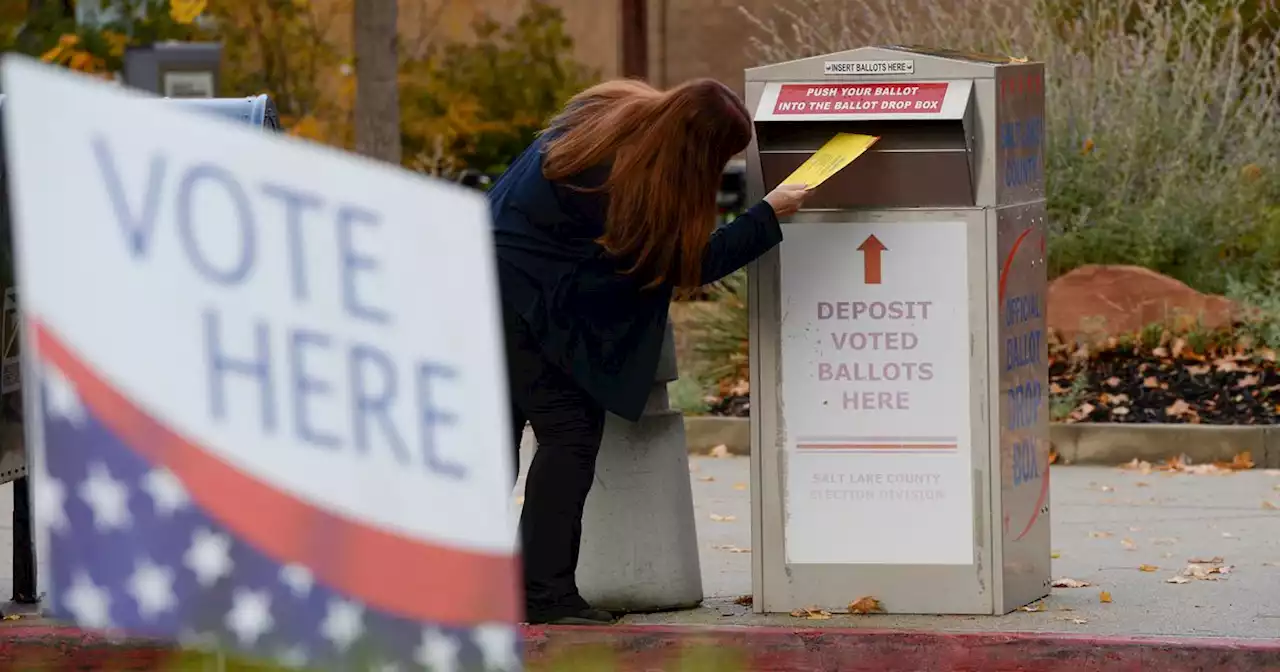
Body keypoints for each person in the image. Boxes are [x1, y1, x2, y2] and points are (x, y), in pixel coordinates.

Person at [487, 77, 810, 625]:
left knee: (497, 436)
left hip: (490, 277)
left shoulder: (608, 113)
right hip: (528, 299)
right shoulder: (631, 177)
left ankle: (441, 575)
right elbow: (680, 265)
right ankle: (543, 596)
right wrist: (768, 214)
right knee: (568, 435)